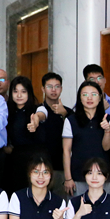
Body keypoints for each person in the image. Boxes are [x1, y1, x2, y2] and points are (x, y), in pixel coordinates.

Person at [62, 81, 110, 197]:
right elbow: (66, 151)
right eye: (85, 94)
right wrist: (68, 178)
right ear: (80, 98)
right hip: (78, 176)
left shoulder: (108, 119)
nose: (89, 98)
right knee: (78, 207)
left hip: (103, 175)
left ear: (100, 98)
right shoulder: (71, 120)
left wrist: (107, 131)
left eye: (94, 94)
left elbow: (106, 147)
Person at [34, 72, 73, 201]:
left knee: (60, 202)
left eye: (57, 86)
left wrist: (64, 114)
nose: (53, 90)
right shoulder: (37, 111)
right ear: (43, 89)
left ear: (61, 89)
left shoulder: (69, 112)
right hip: (41, 166)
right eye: (49, 86)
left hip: (61, 167)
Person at [5, 76, 43, 192]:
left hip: (34, 158)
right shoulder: (7, 111)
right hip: (14, 159)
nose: (19, 95)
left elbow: (43, 114)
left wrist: (36, 119)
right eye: (15, 91)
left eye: (23, 91)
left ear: (29, 93)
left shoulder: (36, 109)